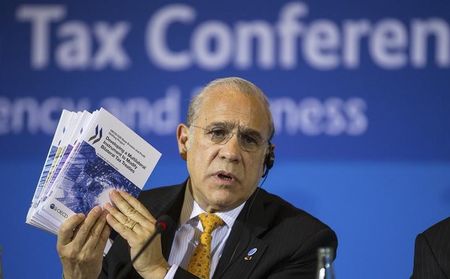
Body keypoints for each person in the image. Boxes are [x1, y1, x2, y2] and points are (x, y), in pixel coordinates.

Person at [56, 77, 338, 279]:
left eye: (250, 139)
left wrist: (160, 272)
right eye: (217, 132)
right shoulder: (130, 217)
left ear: (267, 157)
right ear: (184, 141)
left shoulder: (303, 241)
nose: (231, 152)